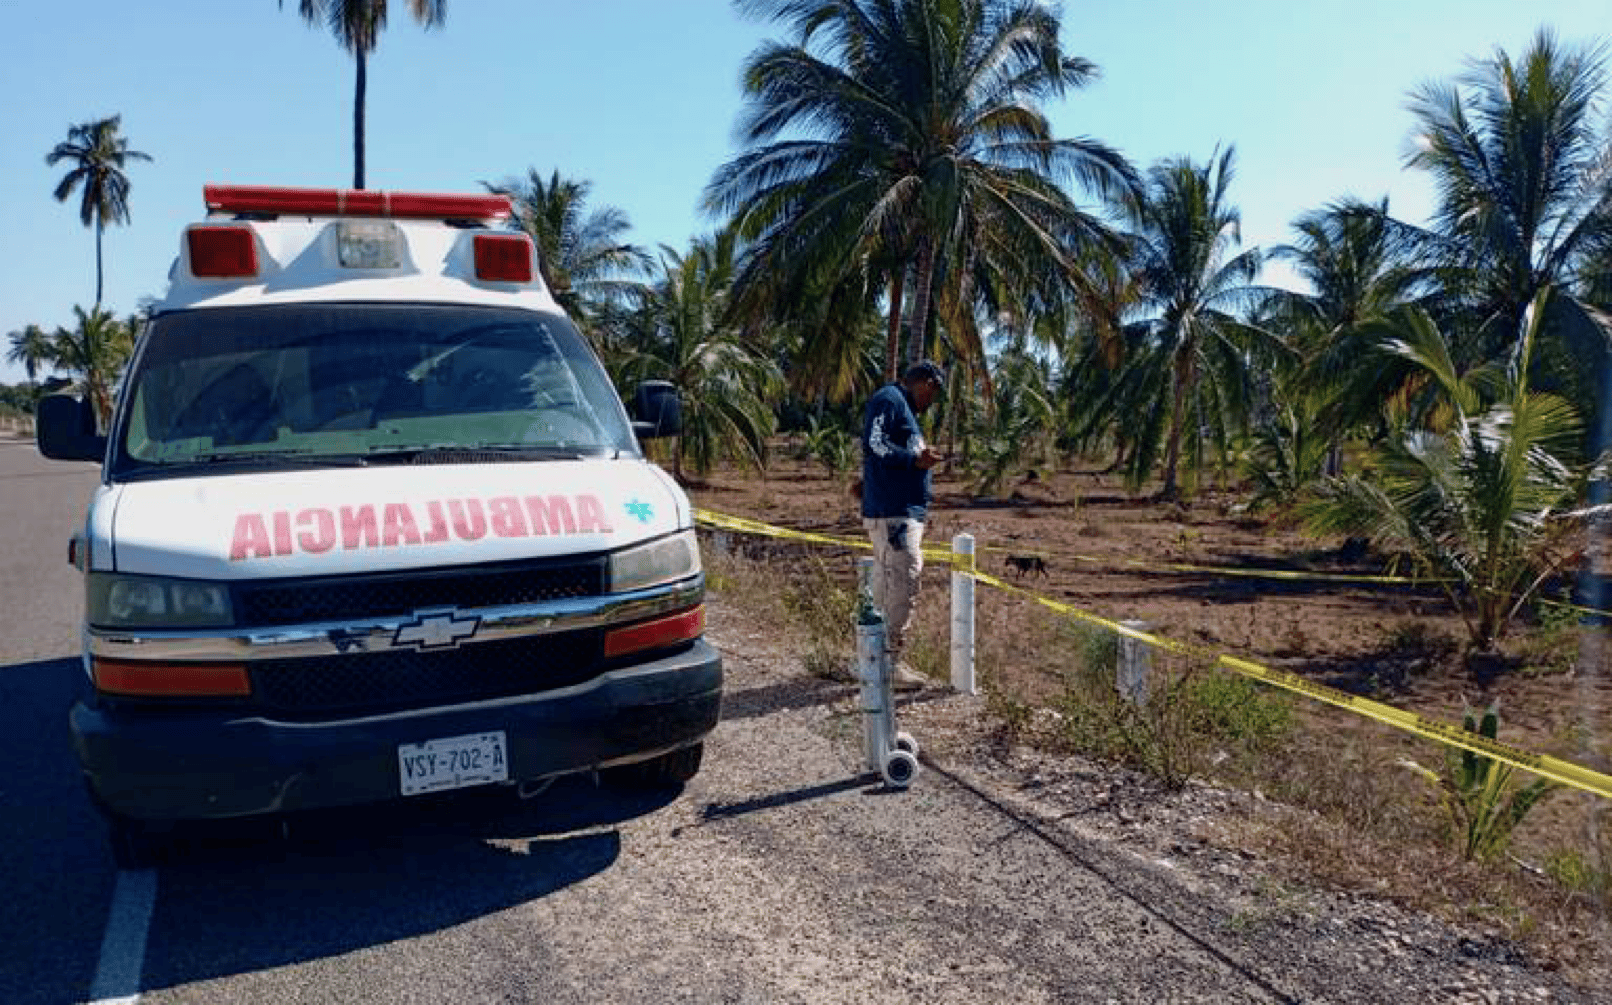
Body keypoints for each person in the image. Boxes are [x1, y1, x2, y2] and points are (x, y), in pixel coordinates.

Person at [860, 359, 946, 690]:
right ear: (927, 382)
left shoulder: (903, 408)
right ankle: (888, 662)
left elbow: (885, 449)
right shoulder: (890, 399)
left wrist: (920, 457)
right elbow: (875, 443)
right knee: (904, 583)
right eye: (934, 393)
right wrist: (914, 460)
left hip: (897, 510)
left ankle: (871, 657)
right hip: (894, 513)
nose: (932, 402)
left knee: (886, 584)